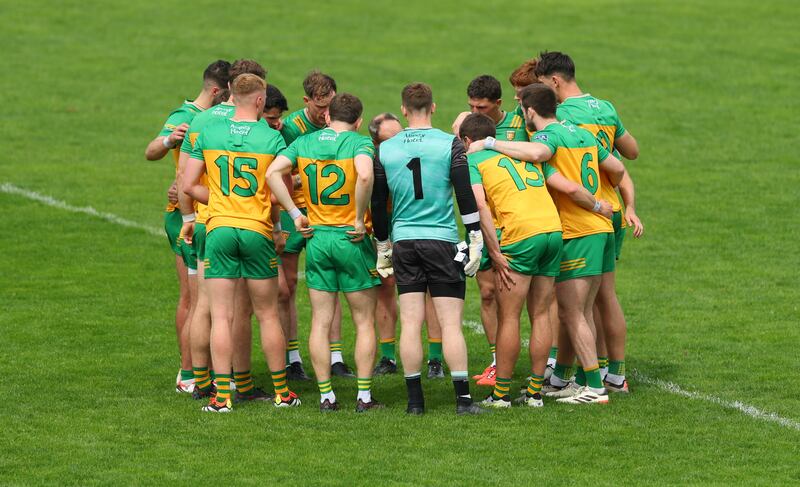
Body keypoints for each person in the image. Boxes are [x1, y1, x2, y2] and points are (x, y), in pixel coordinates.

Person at [466, 83, 627, 405]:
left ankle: (593, 386)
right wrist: (602, 204)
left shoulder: (542, 141)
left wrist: (489, 142)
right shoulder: (581, 132)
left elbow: (539, 159)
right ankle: (567, 379)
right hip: (597, 226)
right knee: (571, 310)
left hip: (574, 229)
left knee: (570, 312)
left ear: (529, 110)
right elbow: (620, 167)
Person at [181, 73, 300, 412]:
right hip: (256, 230)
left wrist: (219, 198)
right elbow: (282, 193)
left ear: (231, 94)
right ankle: (282, 393)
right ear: (261, 101)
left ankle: (221, 397)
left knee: (221, 315)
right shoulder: (272, 138)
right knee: (266, 314)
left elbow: (188, 185)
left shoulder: (209, 132)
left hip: (218, 228)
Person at [371, 82, 484, 415]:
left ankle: (415, 402)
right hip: (442, 240)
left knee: (409, 323)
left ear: (404, 110)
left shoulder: (386, 149)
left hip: (405, 242)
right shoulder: (449, 143)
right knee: (450, 324)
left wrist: (382, 244)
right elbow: (465, 194)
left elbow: (379, 203)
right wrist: (475, 236)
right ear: (433, 107)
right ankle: (463, 401)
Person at [268, 93, 383, 413]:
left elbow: (272, 174)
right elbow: (364, 174)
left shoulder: (304, 142)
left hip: (317, 237)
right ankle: (363, 396)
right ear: (359, 121)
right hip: (351, 239)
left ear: (328, 116)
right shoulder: (360, 144)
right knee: (363, 321)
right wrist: (359, 219)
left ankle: (326, 397)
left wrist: (294, 214)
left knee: (320, 320)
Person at [536, 51, 643, 393]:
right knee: (604, 296)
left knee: (572, 302)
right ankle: (615, 373)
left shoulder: (560, 116)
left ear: (554, 81)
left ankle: (583, 376)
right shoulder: (605, 107)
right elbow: (631, 152)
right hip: (612, 210)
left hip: (585, 209)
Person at [144, 59, 230, 393]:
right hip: (187, 216)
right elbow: (151, 150)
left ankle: (206, 369)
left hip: (209, 210)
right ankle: (188, 372)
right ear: (216, 91)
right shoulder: (186, 117)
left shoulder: (224, 119)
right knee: (193, 299)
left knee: (209, 299)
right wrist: (168, 141)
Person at [450, 75, 530, 387]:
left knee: (527, 298)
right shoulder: (468, 127)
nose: (475, 112)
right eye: (470, 106)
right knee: (487, 293)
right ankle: (497, 361)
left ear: (498, 104)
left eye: (481, 107)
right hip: (484, 222)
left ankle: (549, 362)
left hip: (516, 221)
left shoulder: (519, 124)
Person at [279, 71, 354, 379]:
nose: (326, 115)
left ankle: (336, 357)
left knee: (330, 285)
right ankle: (292, 357)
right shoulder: (290, 129)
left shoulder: (343, 124)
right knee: (288, 287)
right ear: (306, 101)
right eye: (319, 108)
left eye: (330, 106)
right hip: (294, 210)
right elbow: (278, 173)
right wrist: (302, 180)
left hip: (331, 213)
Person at [367, 113, 445, 378]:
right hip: (386, 223)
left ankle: (435, 358)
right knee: (386, 286)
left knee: (432, 290)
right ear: (377, 144)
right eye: (390, 139)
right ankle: (388, 357)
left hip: (417, 223)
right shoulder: (374, 159)